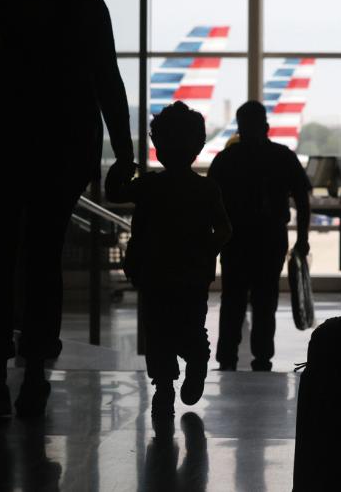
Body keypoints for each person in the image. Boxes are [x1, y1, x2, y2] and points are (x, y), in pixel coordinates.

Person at [0, 0, 134, 418]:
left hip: (1, 144)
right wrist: (122, 151)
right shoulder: (85, 7)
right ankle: (35, 372)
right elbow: (108, 80)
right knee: (42, 260)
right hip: (64, 147)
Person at [107, 102, 231, 417]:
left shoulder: (149, 185)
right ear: (198, 147)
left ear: (158, 148)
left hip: (153, 271)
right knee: (191, 325)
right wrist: (206, 251)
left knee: (157, 330)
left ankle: (164, 387)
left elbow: (115, 194)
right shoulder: (206, 188)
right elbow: (225, 229)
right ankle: (197, 361)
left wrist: (121, 168)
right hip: (192, 273)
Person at [207, 101, 311, 372]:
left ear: (239, 129)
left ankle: (227, 356)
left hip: (235, 239)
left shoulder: (226, 160)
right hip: (270, 238)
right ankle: (262, 355)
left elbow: (210, 202)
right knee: (266, 300)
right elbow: (302, 199)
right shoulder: (283, 157)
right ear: (266, 127)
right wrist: (302, 238)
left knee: (233, 299)